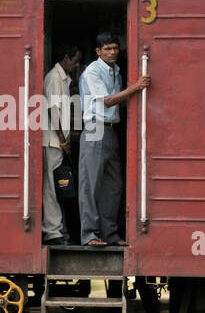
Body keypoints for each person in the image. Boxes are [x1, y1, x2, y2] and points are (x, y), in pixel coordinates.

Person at [77, 32, 149, 247]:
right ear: (98, 52)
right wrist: (137, 87)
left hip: (110, 130)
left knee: (113, 185)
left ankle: (109, 234)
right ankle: (89, 235)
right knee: (90, 185)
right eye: (107, 49)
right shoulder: (93, 71)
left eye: (115, 48)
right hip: (94, 128)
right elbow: (108, 101)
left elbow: (119, 102)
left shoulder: (115, 71)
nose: (112, 52)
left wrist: (132, 92)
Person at [42, 45, 82, 245]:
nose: (76, 65)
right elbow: (52, 111)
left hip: (57, 142)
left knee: (57, 186)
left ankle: (57, 228)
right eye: (75, 60)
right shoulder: (55, 79)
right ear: (66, 57)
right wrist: (63, 140)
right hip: (53, 142)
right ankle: (52, 231)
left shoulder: (63, 79)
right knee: (52, 186)